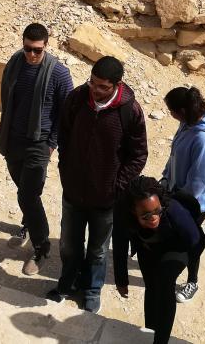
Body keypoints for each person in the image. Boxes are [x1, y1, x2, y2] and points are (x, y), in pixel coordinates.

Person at [47, 56, 148, 313]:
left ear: (116, 85)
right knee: (69, 244)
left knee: (98, 250)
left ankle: (92, 290)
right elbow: (65, 136)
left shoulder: (130, 111)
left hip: (106, 199)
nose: (95, 90)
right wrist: (65, 169)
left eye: (102, 87)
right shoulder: (77, 99)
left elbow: (138, 155)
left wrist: (117, 185)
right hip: (73, 192)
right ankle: (67, 283)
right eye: (92, 83)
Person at [0, 23, 73, 276]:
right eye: (28, 48)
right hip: (14, 140)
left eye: (37, 50)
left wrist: (51, 144)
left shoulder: (58, 74)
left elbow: (67, 113)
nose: (31, 55)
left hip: (39, 144)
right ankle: (27, 222)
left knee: (28, 196)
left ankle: (42, 247)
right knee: (23, 191)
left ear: (46, 46)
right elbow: (7, 97)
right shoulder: (15, 63)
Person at [113, 176, 201, 344]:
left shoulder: (173, 210)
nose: (154, 218)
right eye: (146, 215)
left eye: (157, 211)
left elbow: (195, 241)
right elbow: (119, 246)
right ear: (133, 211)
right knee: (151, 286)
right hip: (147, 246)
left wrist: (191, 275)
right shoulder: (122, 214)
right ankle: (150, 331)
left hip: (177, 247)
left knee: (164, 284)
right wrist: (121, 279)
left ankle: (161, 341)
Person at [161, 86, 205, 303]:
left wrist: (176, 200)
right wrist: (165, 179)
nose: (171, 115)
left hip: (195, 202)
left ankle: (192, 281)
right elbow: (174, 156)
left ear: (183, 111)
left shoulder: (204, 140)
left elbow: (198, 181)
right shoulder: (186, 125)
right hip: (176, 194)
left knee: (190, 239)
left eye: (172, 111)